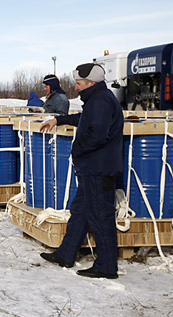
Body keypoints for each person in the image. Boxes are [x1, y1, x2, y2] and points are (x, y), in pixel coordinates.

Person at [39, 63, 123, 279]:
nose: (75, 88)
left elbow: (96, 135)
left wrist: (78, 151)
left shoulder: (101, 101)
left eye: (79, 84)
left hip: (98, 168)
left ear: (91, 83)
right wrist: (59, 119)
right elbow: (85, 120)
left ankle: (106, 267)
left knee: (100, 216)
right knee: (81, 211)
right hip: (94, 167)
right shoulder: (97, 100)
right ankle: (66, 254)